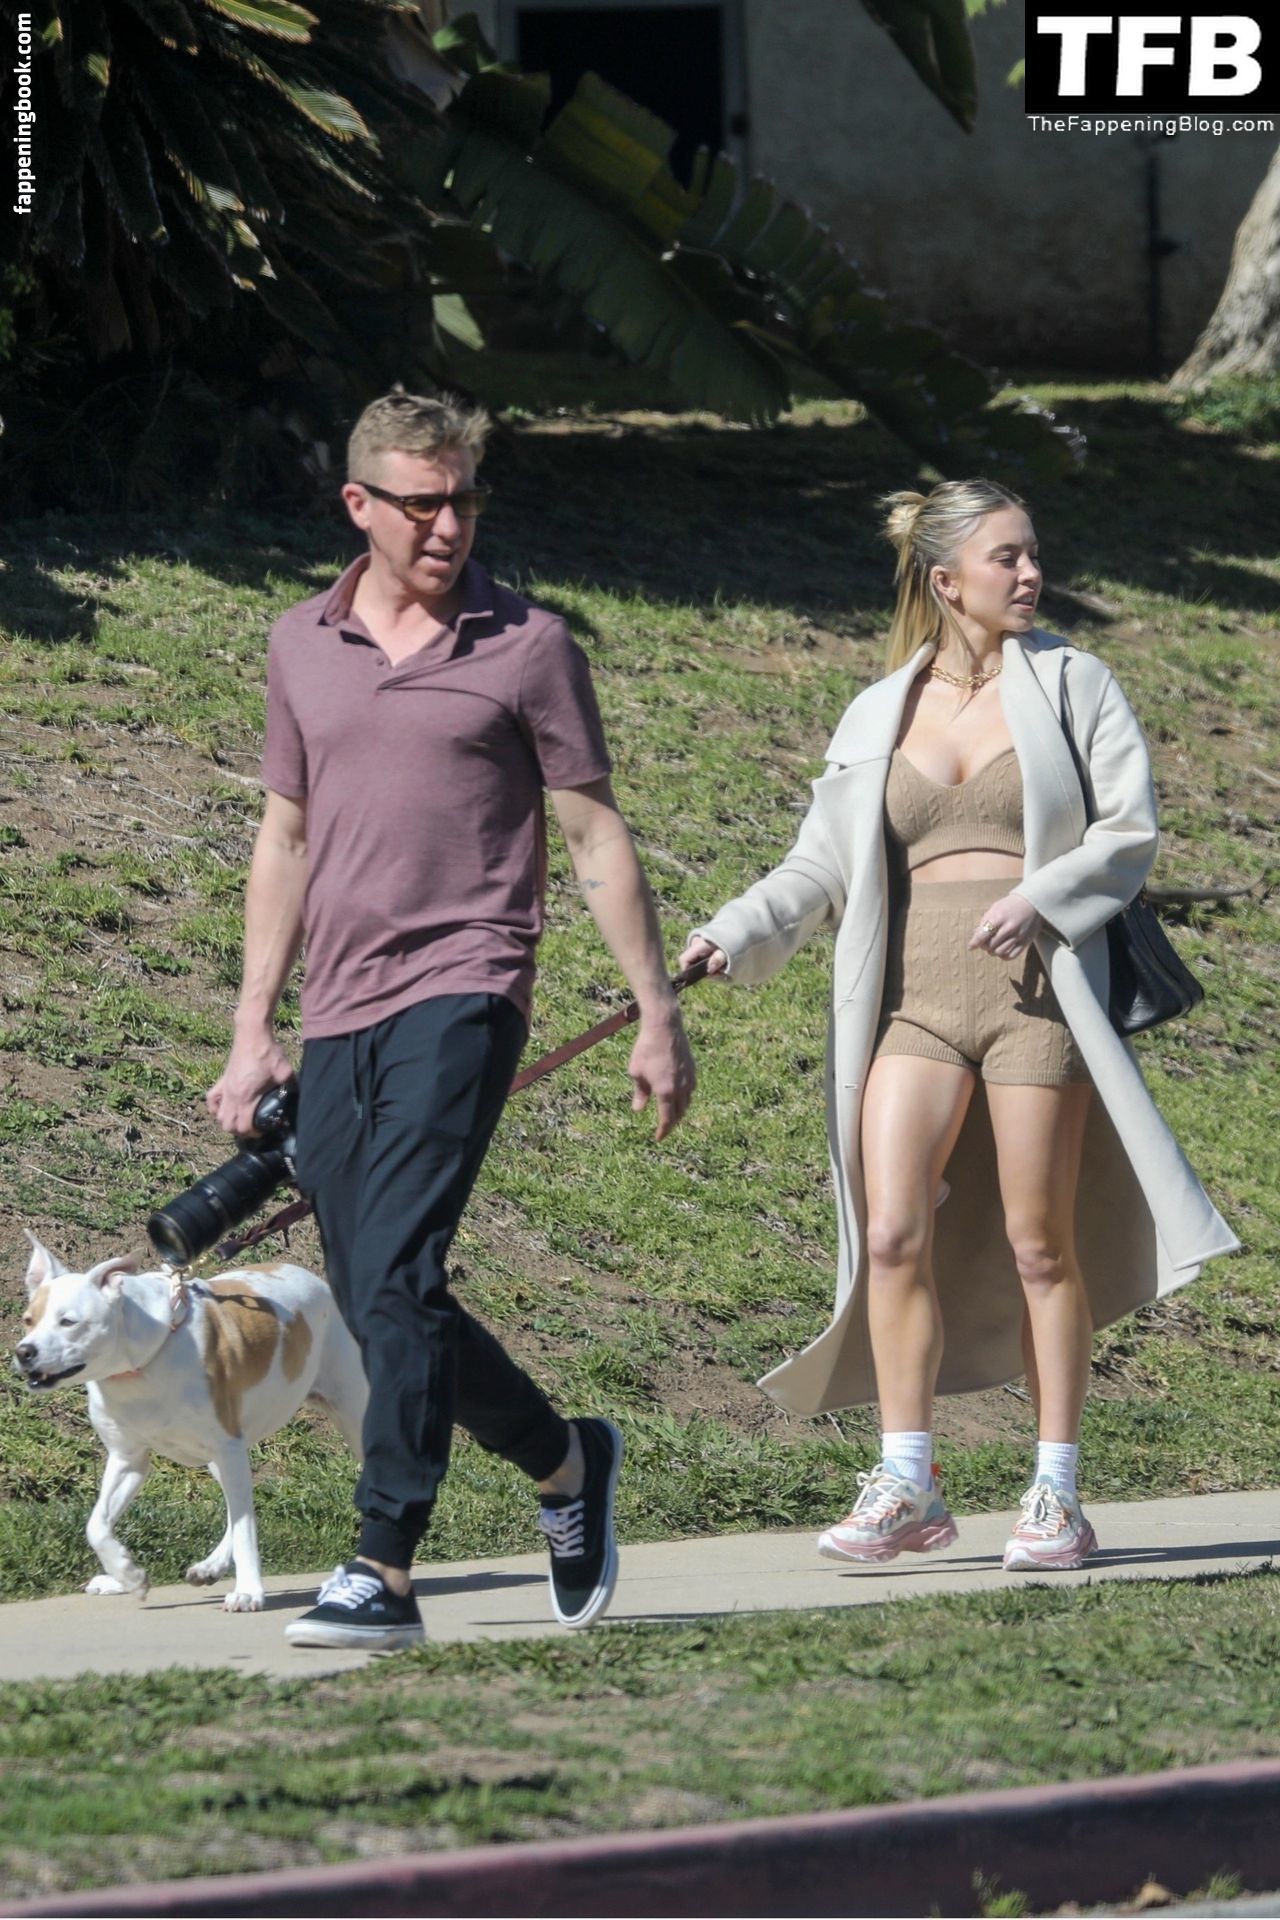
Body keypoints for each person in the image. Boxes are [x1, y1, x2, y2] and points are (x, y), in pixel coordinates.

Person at [208, 390, 695, 1650]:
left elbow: (592, 835)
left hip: (468, 985)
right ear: (358, 504)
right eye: (421, 503)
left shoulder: (528, 645)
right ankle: (564, 1460)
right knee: (379, 1292)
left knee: (398, 1270)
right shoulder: (301, 643)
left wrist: (654, 1012)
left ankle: (383, 1563)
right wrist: (253, 1029)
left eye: (464, 500)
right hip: (339, 1006)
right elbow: (285, 838)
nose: (447, 525)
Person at [681, 478, 1237, 1572]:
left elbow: (1127, 835)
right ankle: (907, 1480)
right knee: (890, 1233)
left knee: (1040, 1244)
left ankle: (1055, 1492)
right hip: (913, 1000)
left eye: (1031, 554)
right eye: (1006, 558)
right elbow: (818, 864)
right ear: (945, 580)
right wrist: (731, 931)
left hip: (1037, 996)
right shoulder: (877, 710)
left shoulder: (1073, 683)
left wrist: (1042, 897)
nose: (1030, 574)